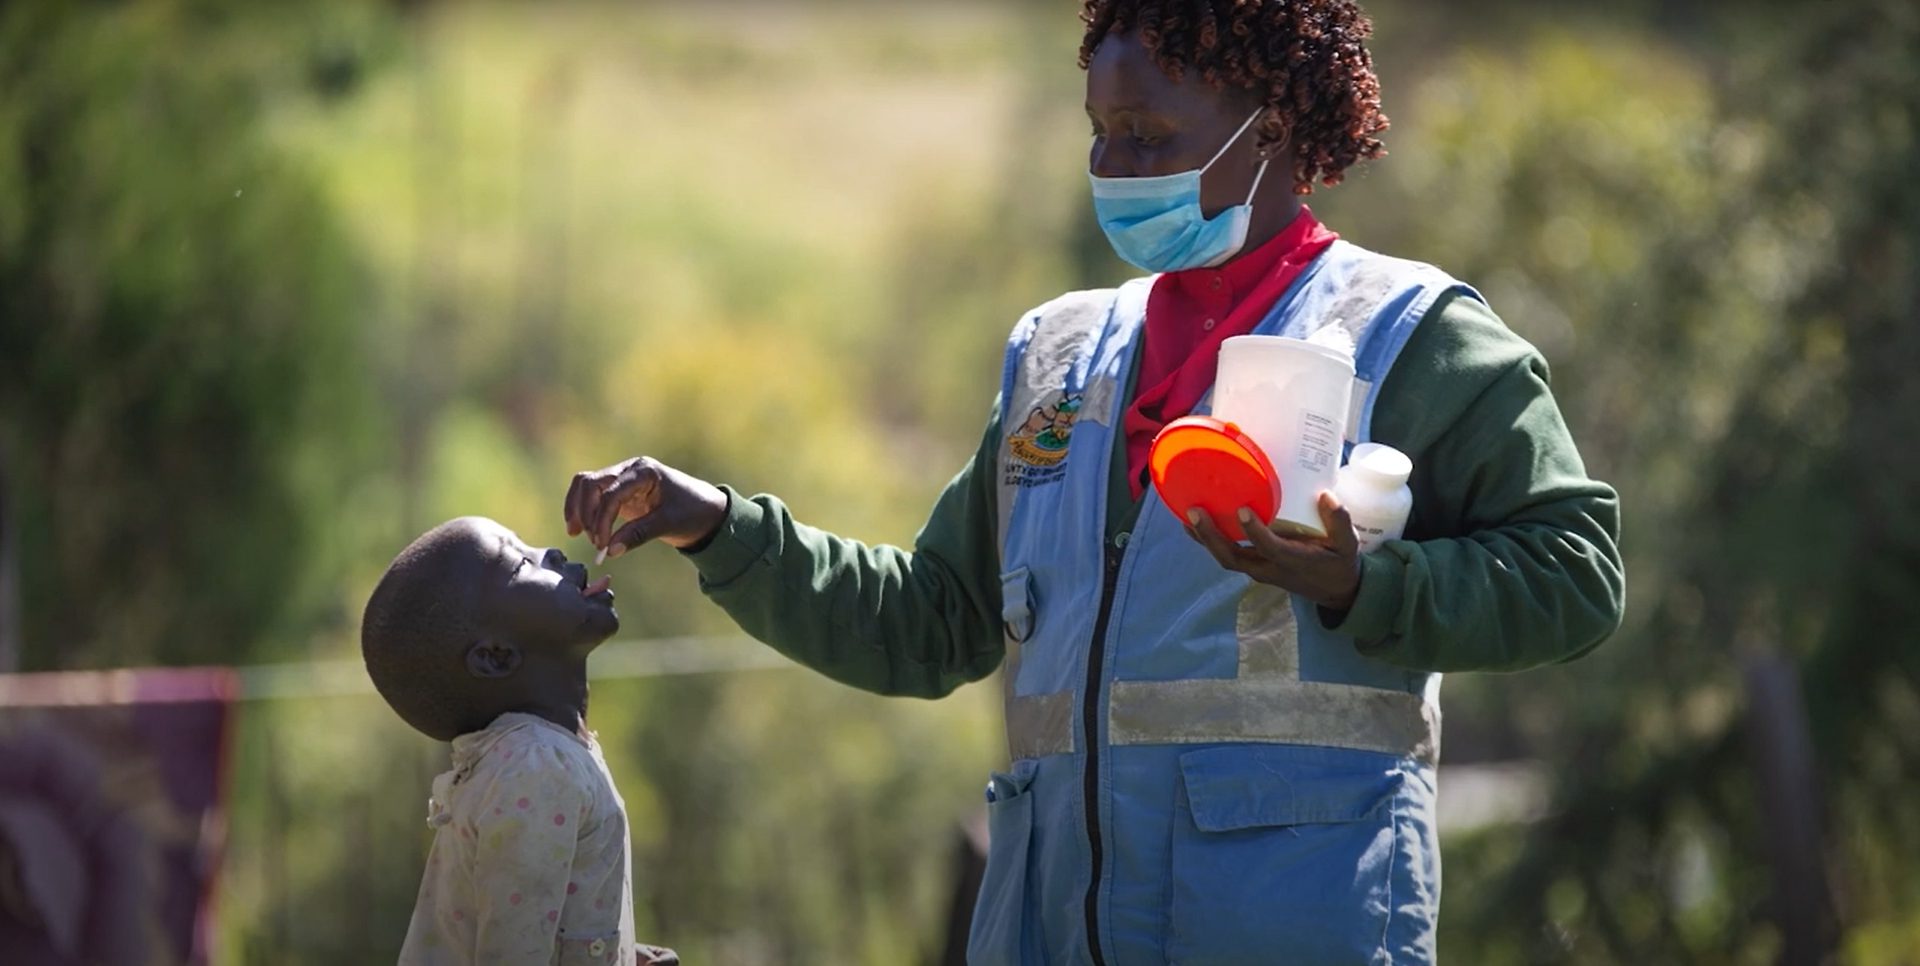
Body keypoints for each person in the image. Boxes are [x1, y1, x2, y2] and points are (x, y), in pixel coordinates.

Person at [563, 0, 1626, 961]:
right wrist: (717, 527)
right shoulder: (1059, 355)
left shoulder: (1415, 338)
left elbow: (1577, 577)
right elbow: (932, 623)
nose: (1116, 166)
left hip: (1291, 930)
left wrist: (1365, 588)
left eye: (1151, 137)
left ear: (1272, 129)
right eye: (1100, 135)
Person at [361, 517, 677, 966]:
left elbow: (539, 930)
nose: (551, 552)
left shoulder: (539, 758)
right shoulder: (536, 769)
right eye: (519, 563)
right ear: (495, 656)